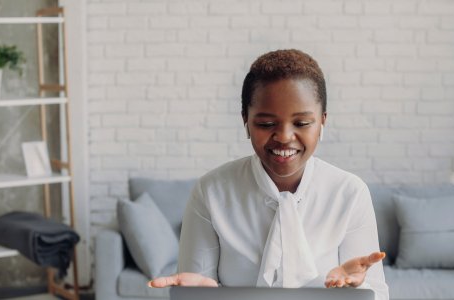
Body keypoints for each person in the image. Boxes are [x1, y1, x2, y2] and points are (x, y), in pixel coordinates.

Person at [148, 49, 389, 299]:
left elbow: (377, 294)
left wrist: (357, 292)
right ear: (246, 121)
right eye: (265, 124)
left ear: (322, 122)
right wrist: (198, 295)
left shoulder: (349, 193)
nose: (284, 137)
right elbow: (197, 288)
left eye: (302, 123)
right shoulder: (211, 192)